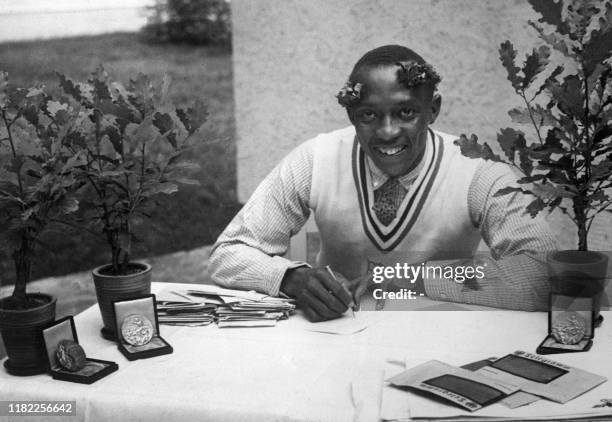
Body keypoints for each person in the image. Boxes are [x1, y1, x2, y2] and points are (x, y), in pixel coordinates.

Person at [209, 44, 557, 321]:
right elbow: (229, 253)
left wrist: (408, 278)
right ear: (351, 116)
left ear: (433, 109)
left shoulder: (477, 171)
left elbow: (542, 272)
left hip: (439, 338)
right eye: (369, 116)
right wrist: (290, 278)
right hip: (334, 334)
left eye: (406, 112)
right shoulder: (315, 159)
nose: (388, 132)